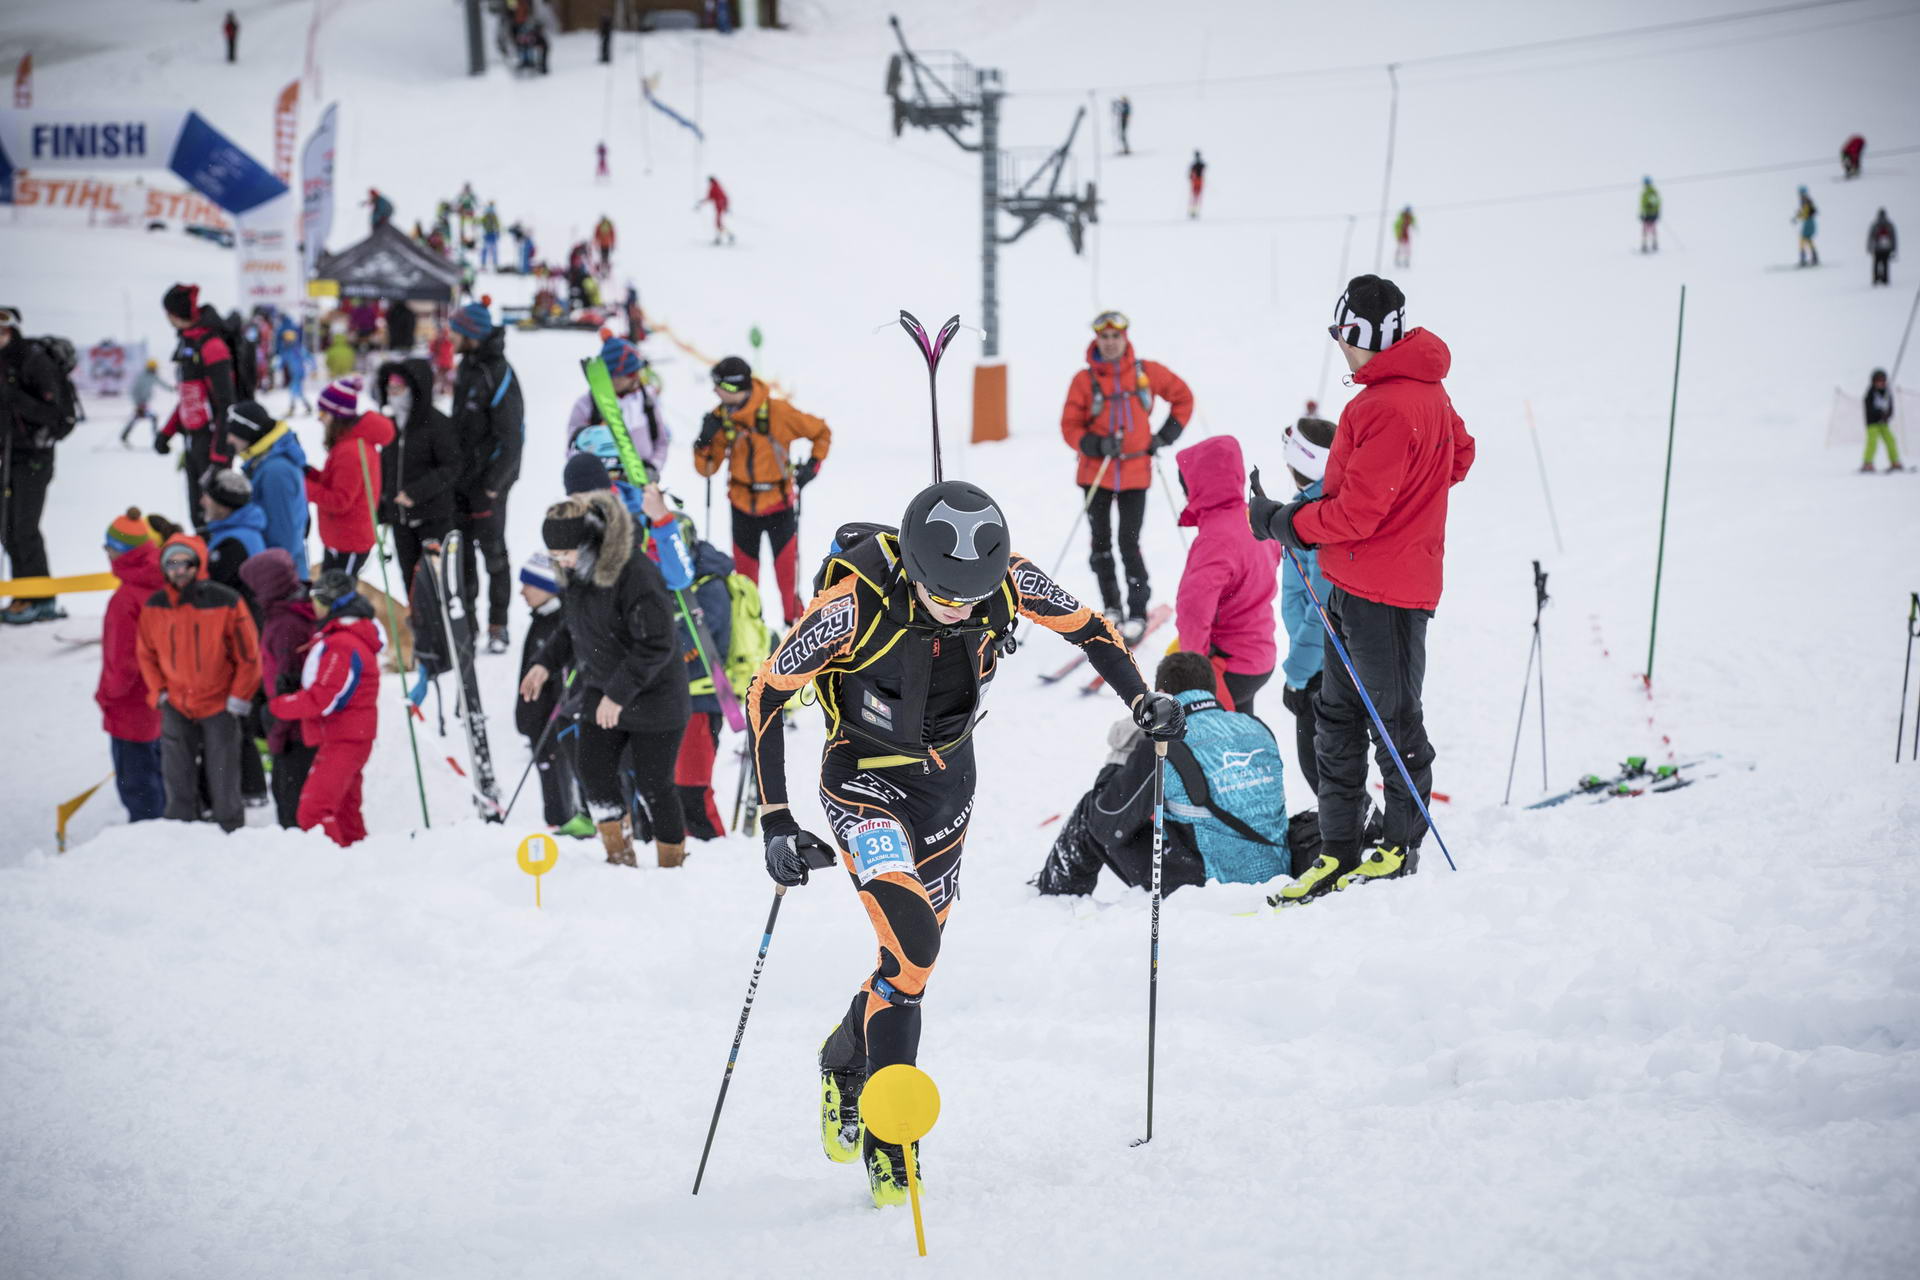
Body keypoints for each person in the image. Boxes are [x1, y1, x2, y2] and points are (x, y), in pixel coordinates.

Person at [744, 480, 1184, 1207]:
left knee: (906, 970)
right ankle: (893, 1142)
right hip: (864, 782)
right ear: (915, 570)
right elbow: (765, 692)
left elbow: (1091, 628)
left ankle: (843, 1056)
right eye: (946, 595)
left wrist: (1143, 699)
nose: (962, 607)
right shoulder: (852, 607)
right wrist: (776, 819)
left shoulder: (1006, 580)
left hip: (948, 785)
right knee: (917, 945)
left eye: (972, 597)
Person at [1249, 274, 1475, 905]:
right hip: (1353, 586)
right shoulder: (1428, 392)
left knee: (1393, 721)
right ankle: (1337, 849)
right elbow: (1459, 456)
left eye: (1340, 335)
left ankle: (1398, 848)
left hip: (1387, 595)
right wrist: (1414, 499)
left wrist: (1280, 523)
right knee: (1337, 718)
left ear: (1357, 335)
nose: (1339, 349)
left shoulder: (1381, 407)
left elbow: (1353, 514)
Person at [519, 489, 690, 868]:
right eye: (555, 556)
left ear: (587, 542)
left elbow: (658, 644)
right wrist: (545, 663)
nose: (560, 562)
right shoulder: (578, 573)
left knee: (654, 785)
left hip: (656, 696)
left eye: (564, 553)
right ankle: (619, 854)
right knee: (593, 769)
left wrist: (618, 694)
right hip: (605, 689)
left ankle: (673, 866)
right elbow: (573, 628)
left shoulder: (635, 574)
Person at [1033, 652, 1297, 896]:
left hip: (1210, 885)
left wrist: (1119, 756)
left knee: (1091, 808)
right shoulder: (1256, 727)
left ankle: (1056, 898)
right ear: (1211, 690)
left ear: (1161, 694)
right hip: (1275, 869)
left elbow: (1106, 821)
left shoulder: (1163, 745)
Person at [1057, 309, 1194, 637]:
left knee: (1129, 542)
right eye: (1104, 337)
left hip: (1135, 472)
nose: (1110, 343)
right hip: (1096, 473)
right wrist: (1094, 444)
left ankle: (1136, 610)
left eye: (1115, 336)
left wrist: (1164, 436)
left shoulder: (1144, 373)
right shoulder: (1084, 379)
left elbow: (1183, 398)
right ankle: (1112, 607)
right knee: (1100, 543)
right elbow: (1069, 425)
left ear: (1125, 337)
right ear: (1097, 339)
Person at [137, 533, 262, 833]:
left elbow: (248, 655)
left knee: (223, 778)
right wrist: (160, 693)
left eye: (186, 564)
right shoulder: (155, 606)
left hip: (219, 703)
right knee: (177, 779)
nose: (179, 571)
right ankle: (180, 834)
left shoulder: (226, 600)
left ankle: (230, 833)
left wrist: (239, 697)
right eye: (172, 564)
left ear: (198, 564)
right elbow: (146, 653)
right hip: (176, 703)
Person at [692, 355, 830, 625]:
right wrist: (704, 441)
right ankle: (750, 635)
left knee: (787, 581)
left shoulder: (778, 411)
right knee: (745, 584)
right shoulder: (721, 419)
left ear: (731, 388)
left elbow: (821, 432)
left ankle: (795, 631)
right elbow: (707, 469)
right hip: (742, 506)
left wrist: (812, 466)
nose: (713, 391)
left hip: (779, 505)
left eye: (717, 386)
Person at [268, 569, 381, 846]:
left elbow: (327, 698)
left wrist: (280, 706)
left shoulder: (342, 642)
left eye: (317, 599)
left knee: (313, 812)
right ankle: (358, 860)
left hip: (345, 738)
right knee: (344, 811)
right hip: (344, 736)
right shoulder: (338, 636)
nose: (312, 605)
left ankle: (330, 871)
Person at [1171, 435, 1280, 714]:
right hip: (1258, 653)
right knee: (1240, 733)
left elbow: (1194, 608)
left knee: (1210, 743)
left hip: (1228, 663)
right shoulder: (1252, 517)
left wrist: (1193, 670)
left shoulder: (1216, 539)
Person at [448, 300, 524, 654]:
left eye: (457, 332)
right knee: (461, 556)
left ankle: (499, 625)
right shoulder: (467, 367)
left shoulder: (499, 372)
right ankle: (470, 626)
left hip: (489, 486)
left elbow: (511, 438)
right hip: (461, 481)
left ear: (472, 335)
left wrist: (494, 485)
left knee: (493, 555)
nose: (451, 338)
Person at [97, 510, 174, 823]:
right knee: (160, 776)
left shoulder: (125, 599)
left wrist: (109, 697)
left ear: (119, 551)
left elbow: (123, 662)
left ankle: (149, 846)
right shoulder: (165, 581)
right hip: (164, 699)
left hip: (131, 707)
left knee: (138, 788)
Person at [0, 305, 73, 623]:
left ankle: (42, 599)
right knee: (7, 528)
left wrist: (13, 396)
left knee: (25, 526)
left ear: (13, 330)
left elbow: (56, 415)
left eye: (3, 330)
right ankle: (23, 594)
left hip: (35, 456)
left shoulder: (34, 360)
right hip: (7, 455)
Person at [240, 548, 319, 829]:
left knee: (291, 806)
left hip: (294, 732)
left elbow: (289, 683)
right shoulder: (293, 611)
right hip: (297, 727)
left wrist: (276, 729)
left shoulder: (285, 624)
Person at [1276, 416, 1335, 794]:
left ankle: (1348, 837)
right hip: (1324, 661)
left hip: (1319, 668)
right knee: (1329, 764)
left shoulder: (1315, 517)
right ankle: (1349, 830)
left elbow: (1321, 608)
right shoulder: (1312, 506)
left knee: (1319, 768)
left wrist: (1298, 675)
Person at [516, 550, 591, 837]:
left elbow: (568, 679)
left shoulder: (561, 623)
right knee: (550, 776)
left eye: (529, 585)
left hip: (557, 722)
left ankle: (571, 820)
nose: (522, 591)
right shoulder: (540, 620)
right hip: (539, 723)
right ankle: (558, 821)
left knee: (565, 773)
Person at [155, 284, 238, 532]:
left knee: (215, 515)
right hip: (193, 441)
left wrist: (219, 455)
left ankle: (219, 564)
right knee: (198, 515)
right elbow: (189, 397)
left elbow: (227, 404)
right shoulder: (187, 342)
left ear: (176, 313)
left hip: (212, 441)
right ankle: (203, 564)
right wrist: (166, 433)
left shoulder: (211, 345)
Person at [373, 358, 459, 594]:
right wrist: (382, 505)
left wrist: (416, 492)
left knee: (436, 584)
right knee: (409, 582)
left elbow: (451, 467)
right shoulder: (390, 424)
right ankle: (417, 623)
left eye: (398, 389)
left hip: (432, 518)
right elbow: (386, 467)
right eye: (389, 389)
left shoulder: (437, 423)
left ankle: (439, 628)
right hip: (401, 521)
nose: (392, 395)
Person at [306, 376, 395, 577]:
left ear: (336, 416)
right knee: (330, 597)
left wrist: (300, 486)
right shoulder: (348, 444)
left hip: (349, 541)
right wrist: (309, 474)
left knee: (338, 600)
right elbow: (336, 482)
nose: (319, 418)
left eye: (323, 412)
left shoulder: (351, 451)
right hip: (341, 538)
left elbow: (339, 500)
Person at [225, 400, 311, 581]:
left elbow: (284, 537)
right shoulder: (263, 463)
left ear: (250, 433)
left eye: (234, 433)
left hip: (281, 579)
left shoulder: (276, 472)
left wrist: (270, 579)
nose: (229, 439)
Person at [567, 336, 667, 471]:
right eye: (630, 374)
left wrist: (653, 467)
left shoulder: (646, 399)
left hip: (643, 483)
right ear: (612, 376)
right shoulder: (586, 405)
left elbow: (661, 442)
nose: (636, 377)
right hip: (602, 484)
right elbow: (571, 452)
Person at [199, 468, 267, 592]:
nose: (202, 502)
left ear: (223, 505)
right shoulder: (240, 531)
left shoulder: (233, 543)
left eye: (208, 498)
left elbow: (208, 590)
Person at [1863, 369, 1903, 473]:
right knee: (1872, 442)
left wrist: (1887, 415)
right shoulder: (1870, 393)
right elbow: (1869, 408)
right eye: (1878, 381)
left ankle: (1895, 462)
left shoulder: (1887, 393)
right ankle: (1868, 463)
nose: (1881, 383)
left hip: (1884, 423)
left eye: (1883, 381)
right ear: (1874, 381)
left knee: (1891, 440)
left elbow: (1890, 408)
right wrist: (1879, 413)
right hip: (1872, 423)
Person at [121, 359, 170, 444]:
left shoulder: (153, 376)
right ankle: (155, 437)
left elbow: (162, 383)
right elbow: (133, 391)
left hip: (145, 404)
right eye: (154, 368)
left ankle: (124, 436)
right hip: (140, 404)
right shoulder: (141, 376)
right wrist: (138, 404)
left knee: (139, 418)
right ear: (150, 368)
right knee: (151, 418)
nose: (155, 369)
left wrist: (172, 389)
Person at [697, 176, 734, 246]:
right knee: (718, 224)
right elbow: (722, 197)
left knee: (718, 223)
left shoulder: (714, 187)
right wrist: (726, 207)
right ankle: (722, 237)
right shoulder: (717, 186)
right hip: (719, 207)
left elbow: (711, 197)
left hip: (719, 207)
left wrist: (701, 203)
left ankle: (727, 236)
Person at [1868, 209, 1897, 287]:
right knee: (1885, 264)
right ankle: (1885, 279)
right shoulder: (1889, 225)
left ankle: (1876, 279)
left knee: (1876, 264)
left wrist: (1869, 248)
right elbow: (1893, 237)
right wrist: (1894, 249)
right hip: (1886, 249)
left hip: (1877, 249)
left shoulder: (1875, 224)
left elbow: (1871, 237)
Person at [1794, 187, 1819, 267]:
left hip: (1808, 222)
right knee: (1808, 239)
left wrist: (1798, 216)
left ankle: (1803, 259)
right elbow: (1805, 212)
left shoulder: (1805, 202)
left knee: (1803, 239)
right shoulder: (1808, 201)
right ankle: (1814, 257)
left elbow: (1805, 213)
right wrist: (1798, 216)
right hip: (1810, 222)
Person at [1639, 177, 1661, 254]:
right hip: (1649, 213)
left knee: (1648, 229)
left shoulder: (1651, 192)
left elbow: (1656, 202)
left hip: (1650, 213)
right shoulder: (1647, 192)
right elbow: (1642, 204)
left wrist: (1651, 206)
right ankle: (1649, 244)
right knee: (1649, 229)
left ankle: (1649, 245)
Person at [480, 203, 502, 271]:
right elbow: (481, 222)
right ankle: (484, 265)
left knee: (493, 250)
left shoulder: (494, 216)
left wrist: (498, 232)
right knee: (485, 250)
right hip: (487, 235)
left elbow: (497, 225)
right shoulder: (486, 215)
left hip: (492, 235)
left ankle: (495, 265)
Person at [1188, 150, 1206, 218]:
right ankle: (1195, 212)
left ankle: (1194, 212)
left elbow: (1190, 175)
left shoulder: (1194, 164)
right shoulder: (1200, 164)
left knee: (1194, 197)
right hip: (1199, 180)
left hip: (1196, 180)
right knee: (1197, 197)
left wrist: (1191, 177)